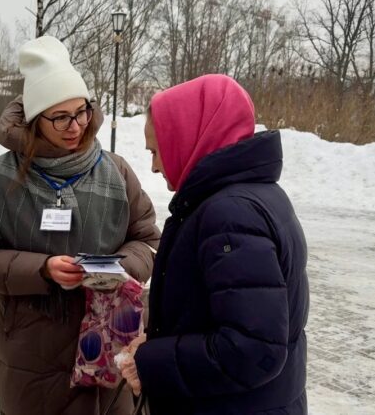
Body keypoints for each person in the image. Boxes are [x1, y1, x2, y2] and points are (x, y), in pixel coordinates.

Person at [0, 36, 160, 415]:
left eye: (81, 112)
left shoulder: (115, 172)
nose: (75, 126)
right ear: (36, 120)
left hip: (108, 347)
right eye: (60, 117)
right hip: (29, 355)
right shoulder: (1, 177)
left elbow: (148, 240)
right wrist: (41, 269)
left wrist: (116, 269)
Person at [119, 74, 309, 414]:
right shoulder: (248, 196)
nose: (154, 165)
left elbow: (252, 350)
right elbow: (214, 315)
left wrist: (151, 361)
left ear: (186, 137)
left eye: (156, 150)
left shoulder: (230, 214)